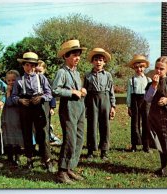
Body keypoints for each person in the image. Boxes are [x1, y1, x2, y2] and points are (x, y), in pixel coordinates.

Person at [11, 52, 54, 172]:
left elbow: (49, 93)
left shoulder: (41, 78)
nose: (30, 68)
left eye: (32, 65)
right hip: (25, 106)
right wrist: (20, 100)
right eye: (27, 65)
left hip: (39, 105)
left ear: (36, 66)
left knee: (43, 133)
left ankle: (47, 160)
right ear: (23, 66)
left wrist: (41, 98)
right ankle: (29, 160)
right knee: (27, 133)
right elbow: (13, 96)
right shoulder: (19, 80)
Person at [52, 39, 87, 184]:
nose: (77, 58)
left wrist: (82, 90)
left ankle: (70, 167)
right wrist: (72, 92)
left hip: (80, 107)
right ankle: (61, 171)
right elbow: (55, 89)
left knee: (79, 138)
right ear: (66, 56)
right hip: (68, 108)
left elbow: (78, 90)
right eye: (74, 55)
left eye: (79, 55)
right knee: (70, 139)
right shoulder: (62, 72)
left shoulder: (77, 73)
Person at [84, 48, 116, 161]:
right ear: (92, 62)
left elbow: (111, 91)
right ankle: (91, 150)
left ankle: (104, 150)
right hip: (92, 100)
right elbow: (85, 92)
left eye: (101, 60)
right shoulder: (88, 75)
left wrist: (113, 106)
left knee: (105, 125)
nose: (98, 62)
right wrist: (85, 107)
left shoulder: (108, 75)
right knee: (92, 125)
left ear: (104, 62)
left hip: (105, 99)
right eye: (96, 60)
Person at [126, 55, 152, 153]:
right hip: (135, 101)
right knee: (135, 124)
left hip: (145, 102)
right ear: (134, 68)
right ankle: (134, 145)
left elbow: (151, 94)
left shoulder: (148, 80)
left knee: (146, 123)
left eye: (141, 67)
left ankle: (146, 145)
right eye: (136, 67)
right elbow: (129, 94)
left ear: (144, 67)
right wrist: (129, 106)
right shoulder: (131, 80)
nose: (139, 69)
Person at [35, 60, 62, 146]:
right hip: (36, 105)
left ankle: (49, 138)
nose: (38, 73)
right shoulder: (32, 81)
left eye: (40, 71)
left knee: (45, 124)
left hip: (46, 105)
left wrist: (52, 107)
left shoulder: (48, 81)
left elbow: (52, 95)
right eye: (36, 71)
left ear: (44, 70)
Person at [1, 70, 24, 166]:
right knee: (8, 132)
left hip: (16, 113)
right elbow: (5, 101)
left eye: (13, 80)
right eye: (9, 80)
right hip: (7, 114)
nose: (11, 82)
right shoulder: (7, 90)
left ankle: (17, 156)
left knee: (16, 134)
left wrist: (9, 93)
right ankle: (10, 156)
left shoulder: (18, 89)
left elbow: (10, 102)